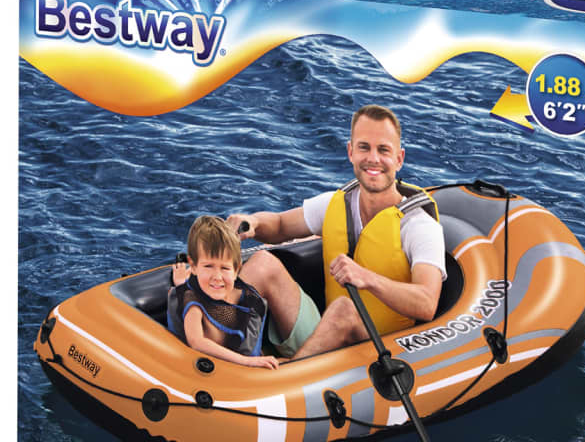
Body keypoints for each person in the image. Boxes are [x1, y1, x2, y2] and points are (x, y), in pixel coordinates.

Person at [228, 104, 446, 359]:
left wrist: (367, 278)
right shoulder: (335, 203)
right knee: (262, 263)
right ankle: (215, 352)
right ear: (351, 152)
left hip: (379, 351)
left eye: (383, 150)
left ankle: (288, 376)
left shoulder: (419, 226)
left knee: (344, 310)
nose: (373, 158)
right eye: (364, 147)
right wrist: (252, 222)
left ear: (399, 159)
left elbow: (427, 303)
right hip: (325, 338)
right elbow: (280, 225)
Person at [167, 216, 279, 369]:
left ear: (236, 270)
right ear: (193, 266)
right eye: (208, 266)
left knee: (285, 361)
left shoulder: (245, 298)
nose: (217, 277)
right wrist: (246, 361)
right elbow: (196, 342)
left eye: (225, 268)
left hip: (242, 357)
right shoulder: (193, 303)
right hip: (223, 367)